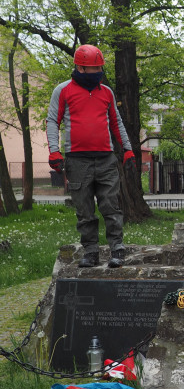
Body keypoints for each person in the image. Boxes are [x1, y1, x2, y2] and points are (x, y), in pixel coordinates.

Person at [46, 44, 136, 268]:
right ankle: (91, 252)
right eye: (93, 69)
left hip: (106, 159)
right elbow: (52, 121)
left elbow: (116, 122)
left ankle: (117, 250)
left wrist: (127, 149)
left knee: (111, 206)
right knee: (84, 210)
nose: (98, 73)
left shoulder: (106, 92)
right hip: (77, 160)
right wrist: (54, 150)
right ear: (80, 67)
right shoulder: (63, 90)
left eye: (99, 68)